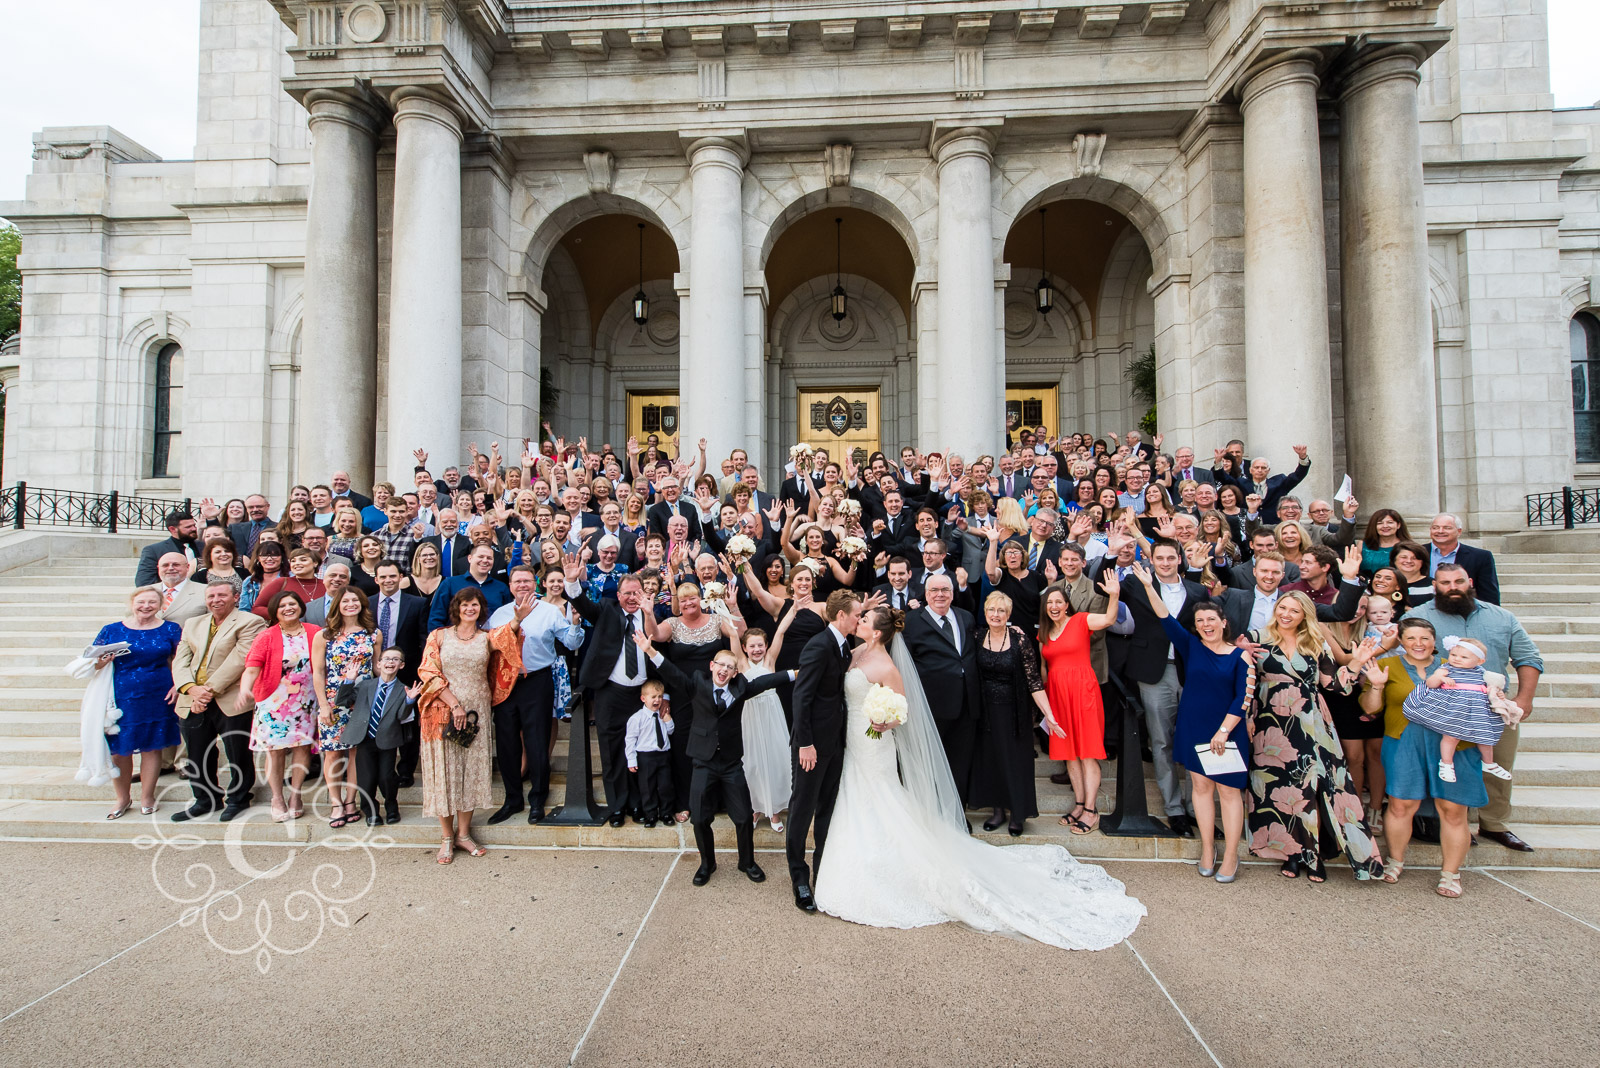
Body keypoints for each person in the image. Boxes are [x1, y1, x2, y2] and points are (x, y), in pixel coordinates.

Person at [809, 603, 1147, 949]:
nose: (858, 620)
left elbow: (902, 709)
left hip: (873, 744)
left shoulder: (887, 665)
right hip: (850, 742)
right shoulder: (856, 651)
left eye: (864, 619)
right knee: (856, 797)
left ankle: (882, 865)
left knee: (880, 798)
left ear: (877, 632)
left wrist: (886, 721)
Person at [1244, 590, 1384, 882]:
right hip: (1271, 725)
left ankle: (1315, 855)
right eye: (1283, 608)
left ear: (1304, 615)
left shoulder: (1315, 642)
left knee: (1313, 788)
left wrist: (1356, 663)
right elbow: (1244, 678)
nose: (1286, 614)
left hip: (1311, 723)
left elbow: (1335, 687)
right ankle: (1292, 854)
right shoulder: (1256, 637)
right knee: (1282, 792)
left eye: (1294, 611)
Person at [1401, 563, 1543, 852]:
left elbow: (1528, 656)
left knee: (1498, 762)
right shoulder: (1417, 617)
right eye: (1444, 582)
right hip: (1444, 708)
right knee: (1449, 763)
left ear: (1470, 582)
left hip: (1492, 706)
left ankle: (1495, 823)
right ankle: (1455, 822)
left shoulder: (1502, 617)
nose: (1452, 587)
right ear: (1434, 585)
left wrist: (1524, 698)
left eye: (1458, 581)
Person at [638, 632, 796, 883]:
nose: (724, 670)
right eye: (721, 665)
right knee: (700, 819)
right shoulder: (697, 683)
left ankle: (747, 862)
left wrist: (798, 673)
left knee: (743, 817)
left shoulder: (741, 687)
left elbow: (768, 681)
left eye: (730, 667)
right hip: (703, 761)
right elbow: (672, 673)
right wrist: (650, 651)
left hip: (732, 763)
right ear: (712, 666)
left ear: (735, 673)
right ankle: (707, 864)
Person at [1129, 564, 1253, 882]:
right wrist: (1148, 585)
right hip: (1194, 727)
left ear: (1224, 623)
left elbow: (1242, 699)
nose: (1206, 625)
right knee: (1199, 787)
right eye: (1200, 621)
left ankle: (1231, 856)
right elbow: (1165, 618)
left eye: (1211, 619)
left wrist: (1224, 732)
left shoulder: (1240, 657)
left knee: (1228, 792)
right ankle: (1208, 849)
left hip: (1225, 732)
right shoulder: (1191, 646)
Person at [415, 587, 530, 864]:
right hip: (444, 711)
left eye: (475, 605)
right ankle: (445, 837)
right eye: (465, 604)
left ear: (481, 609)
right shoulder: (439, 636)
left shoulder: (485, 638)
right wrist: (455, 705)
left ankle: (463, 834)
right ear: (457, 607)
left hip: (475, 716)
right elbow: (428, 672)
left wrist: (517, 620)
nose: (470, 609)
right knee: (445, 774)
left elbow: (506, 638)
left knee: (470, 773)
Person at [1362, 619, 1477, 897]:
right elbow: (1369, 709)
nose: (1418, 644)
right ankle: (1395, 861)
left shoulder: (1460, 663)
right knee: (1401, 805)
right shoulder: (1389, 666)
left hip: (1453, 746)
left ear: (1434, 641)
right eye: (1411, 638)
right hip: (1404, 743)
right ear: (1400, 640)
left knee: (1453, 810)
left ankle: (1451, 873)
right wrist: (1377, 686)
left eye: (1424, 638)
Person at [1117, 539, 1208, 836]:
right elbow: (1098, 585)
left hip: (1191, 673)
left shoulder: (1196, 590)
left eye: (1171, 557)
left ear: (1180, 560)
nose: (1166, 562)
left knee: (1196, 741)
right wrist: (1111, 553)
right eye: (1160, 558)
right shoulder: (1136, 583)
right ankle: (1174, 808)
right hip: (1154, 672)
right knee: (1161, 741)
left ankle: (1198, 807)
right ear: (1151, 560)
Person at [484, 566, 584, 825]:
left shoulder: (550, 611)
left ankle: (538, 800)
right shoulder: (499, 614)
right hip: (506, 683)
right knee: (506, 743)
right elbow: (485, 646)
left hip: (537, 681)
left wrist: (575, 626)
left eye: (527, 581)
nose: (523, 585)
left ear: (535, 583)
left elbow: (572, 644)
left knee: (537, 742)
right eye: (518, 581)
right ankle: (512, 799)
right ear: (510, 585)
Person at [562, 555, 655, 826]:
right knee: (612, 751)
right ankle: (617, 806)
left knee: (640, 750)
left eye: (636, 593)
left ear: (643, 593)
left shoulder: (650, 616)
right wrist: (571, 581)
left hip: (641, 695)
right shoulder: (606, 608)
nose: (631, 598)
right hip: (610, 693)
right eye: (626, 593)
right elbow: (582, 604)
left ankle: (638, 805)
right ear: (619, 594)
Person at [787, 590, 865, 914]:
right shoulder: (818, 646)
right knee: (802, 808)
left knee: (827, 810)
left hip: (835, 744)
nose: (859, 619)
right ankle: (799, 877)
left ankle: (823, 870)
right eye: (857, 614)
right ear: (841, 616)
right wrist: (805, 743)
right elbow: (801, 698)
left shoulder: (845, 646)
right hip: (811, 746)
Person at [170, 579, 266, 822]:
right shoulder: (194, 623)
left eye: (222, 595)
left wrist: (207, 691)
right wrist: (191, 689)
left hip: (230, 698)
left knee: (237, 752)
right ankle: (205, 799)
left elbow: (240, 658)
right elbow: (181, 660)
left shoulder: (250, 621)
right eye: (211, 596)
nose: (215, 600)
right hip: (192, 699)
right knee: (197, 752)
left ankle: (239, 798)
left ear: (236, 597)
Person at [1036, 579, 1123, 834]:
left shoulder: (1081, 620)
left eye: (1058, 602)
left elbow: (1108, 619)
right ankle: (1079, 803)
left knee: (1086, 752)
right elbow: (1043, 668)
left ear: (1066, 605)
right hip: (1057, 695)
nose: (1054, 606)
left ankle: (1091, 810)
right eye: (1049, 602)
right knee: (1069, 754)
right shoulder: (1043, 633)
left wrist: (1114, 595)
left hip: (1083, 691)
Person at [92, 588, 184, 819]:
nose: (146, 606)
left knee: (152, 746)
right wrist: (102, 661)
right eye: (141, 601)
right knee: (119, 749)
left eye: (152, 602)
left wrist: (178, 685)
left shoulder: (170, 628)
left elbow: (181, 660)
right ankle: (122, 798)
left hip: (159, 693)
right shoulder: (112, 630)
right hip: (121, 696)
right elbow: (92, 664)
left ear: (161, 604)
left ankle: (147, 796)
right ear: (132, 603)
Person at [970, 591, 1053, 836]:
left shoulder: (1020, 640)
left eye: (1001, 611)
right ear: (985, 613)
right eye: (991, 610)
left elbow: (1034, 681)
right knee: (992, 760)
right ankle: (998, 811)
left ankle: (1018, 813)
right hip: (985, 712)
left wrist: (1048, 713)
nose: (996, 615)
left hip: (1014, 712)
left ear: (1008, 614)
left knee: (1015, 761)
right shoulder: (976, 636)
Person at [239, 590, 320, 822]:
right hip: (273, 702)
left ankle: (295, 795)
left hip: (306, 702)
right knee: (274, 752)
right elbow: (252, 667)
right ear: (275, 610)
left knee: (302, 748)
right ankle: (277, 797)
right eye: (282, 605)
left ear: (300, 607)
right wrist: (246, 688)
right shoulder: (266, 636)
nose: (288, 608)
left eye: (292, 603)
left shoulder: (315, 632)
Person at [898, 573, 979, 803]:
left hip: (967, 703)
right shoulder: (911, 621)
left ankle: (957, 815)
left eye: (945, 590)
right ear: (926, 594)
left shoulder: (966, 617)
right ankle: (933, 812)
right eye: (934, 590)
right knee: (930, 762)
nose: (940, 595)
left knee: (961, 762)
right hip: (931, 704)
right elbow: (906, 663)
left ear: (953, 594)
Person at [1402, 636, 1520, 783]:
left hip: (1476, 711)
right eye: (1453, 655)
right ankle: (1446, 763)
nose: (1457, 659)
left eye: (1464, 657)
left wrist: (1498, 694)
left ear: (1480, 661)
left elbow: (1491, 689)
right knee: (1451, 736)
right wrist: (1441, 679)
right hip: (1453, 709)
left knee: (1484, 736)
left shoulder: (1483, 673)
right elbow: (1430, 684)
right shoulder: (1446, 669)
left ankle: (1488, 763)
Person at [311, 586, 378, 829]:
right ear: (337, 604)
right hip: (334, 700)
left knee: (356, 753)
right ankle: (335, 802)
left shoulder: (373, 634)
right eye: (346, 600)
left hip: (362, 700)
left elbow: (378, 669)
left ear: (362, 604)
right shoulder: (325, 635)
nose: (351, 604)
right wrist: (323, 705)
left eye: (355, 600)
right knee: (333, 752)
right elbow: (318, 672)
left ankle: (351, 801)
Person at [734, 620, 797, 832]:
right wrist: (724, 607)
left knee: (774, 759)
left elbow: (780, 631)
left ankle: (775, 810)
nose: (756, 649)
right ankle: (755, 808)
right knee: (752, 762)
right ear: (744, 648)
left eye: (760, 645)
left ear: (766, 646)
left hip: (772, 713)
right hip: (750, 714)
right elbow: (734, 635)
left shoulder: (770, 661)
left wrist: (794, 609)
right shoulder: (741, 664)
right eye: (751, 646)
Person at [344, 647, 417, 826]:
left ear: (402, 665)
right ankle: (371, 811)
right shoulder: (365, 685)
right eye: (386, 659)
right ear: (378, 663)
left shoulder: (404, 689)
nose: (390, 662)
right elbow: (343, 701)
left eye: (395, 659)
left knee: (387, 777)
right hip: (365, 738)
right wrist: (348, 681)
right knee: (366, 778)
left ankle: (391, 806)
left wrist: (409, 701)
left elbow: (401, 716)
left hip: (388, 739)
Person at [623, 680, 676, 826]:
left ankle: (666, 813)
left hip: (663, 755)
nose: (657, 700)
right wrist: (632, 760)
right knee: (647, 787)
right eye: (653, 697)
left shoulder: (662, 714)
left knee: (666, 786)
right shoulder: (636, 718)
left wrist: (668, 719)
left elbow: (670, 731)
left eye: (659, 696)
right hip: (646, 756)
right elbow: (630, 741)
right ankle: (650, 814)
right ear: (643, 698)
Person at [427, 543, 512, 631]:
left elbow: (507, 619)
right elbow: (435, 619)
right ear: (470, 558)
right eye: (481, 556)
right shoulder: (450, 584)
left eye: (489, 558)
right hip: (456, 641)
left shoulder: (501, 588)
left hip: (491, 641)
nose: (485, 560)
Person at [1426, 513, 1500, 605]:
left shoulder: (1480, 557)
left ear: (1459, 531)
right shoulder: (1415, 554)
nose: (1440, 531)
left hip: (1463, 610)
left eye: (1447, 528)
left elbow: (1489, 594)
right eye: (1435, 527)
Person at [135, 510, 199, 586]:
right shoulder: (154, 550)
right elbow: (144, 582)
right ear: (172, 529)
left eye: (194, 525)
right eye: (188, 527)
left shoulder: (204, 546)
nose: (194, 529)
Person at [1360, 508, 1411, 575]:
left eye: (1390, 522)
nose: (1385, 526)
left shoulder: (1408, 546)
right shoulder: (1363, 545)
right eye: (1380, 523)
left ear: (1398, 525)